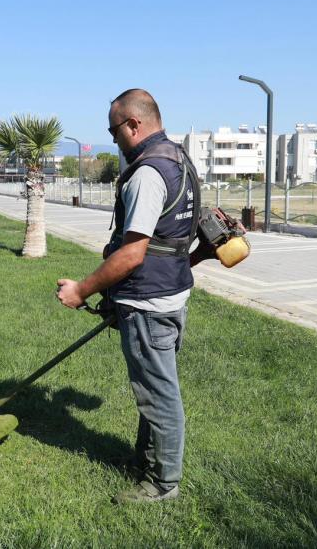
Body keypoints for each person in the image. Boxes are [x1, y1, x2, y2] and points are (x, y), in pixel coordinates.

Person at [56, 89, 214, 503]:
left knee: (160, 396)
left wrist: (81, 290)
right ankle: (148, 460)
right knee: (155, 386)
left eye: (114, 131)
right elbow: (174, 244)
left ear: (133, 124)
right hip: (172, 297)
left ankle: (162, 484)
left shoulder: (146, 173)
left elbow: (132, 254)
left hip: (148, 305)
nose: (113, 140)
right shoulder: (180, 159)